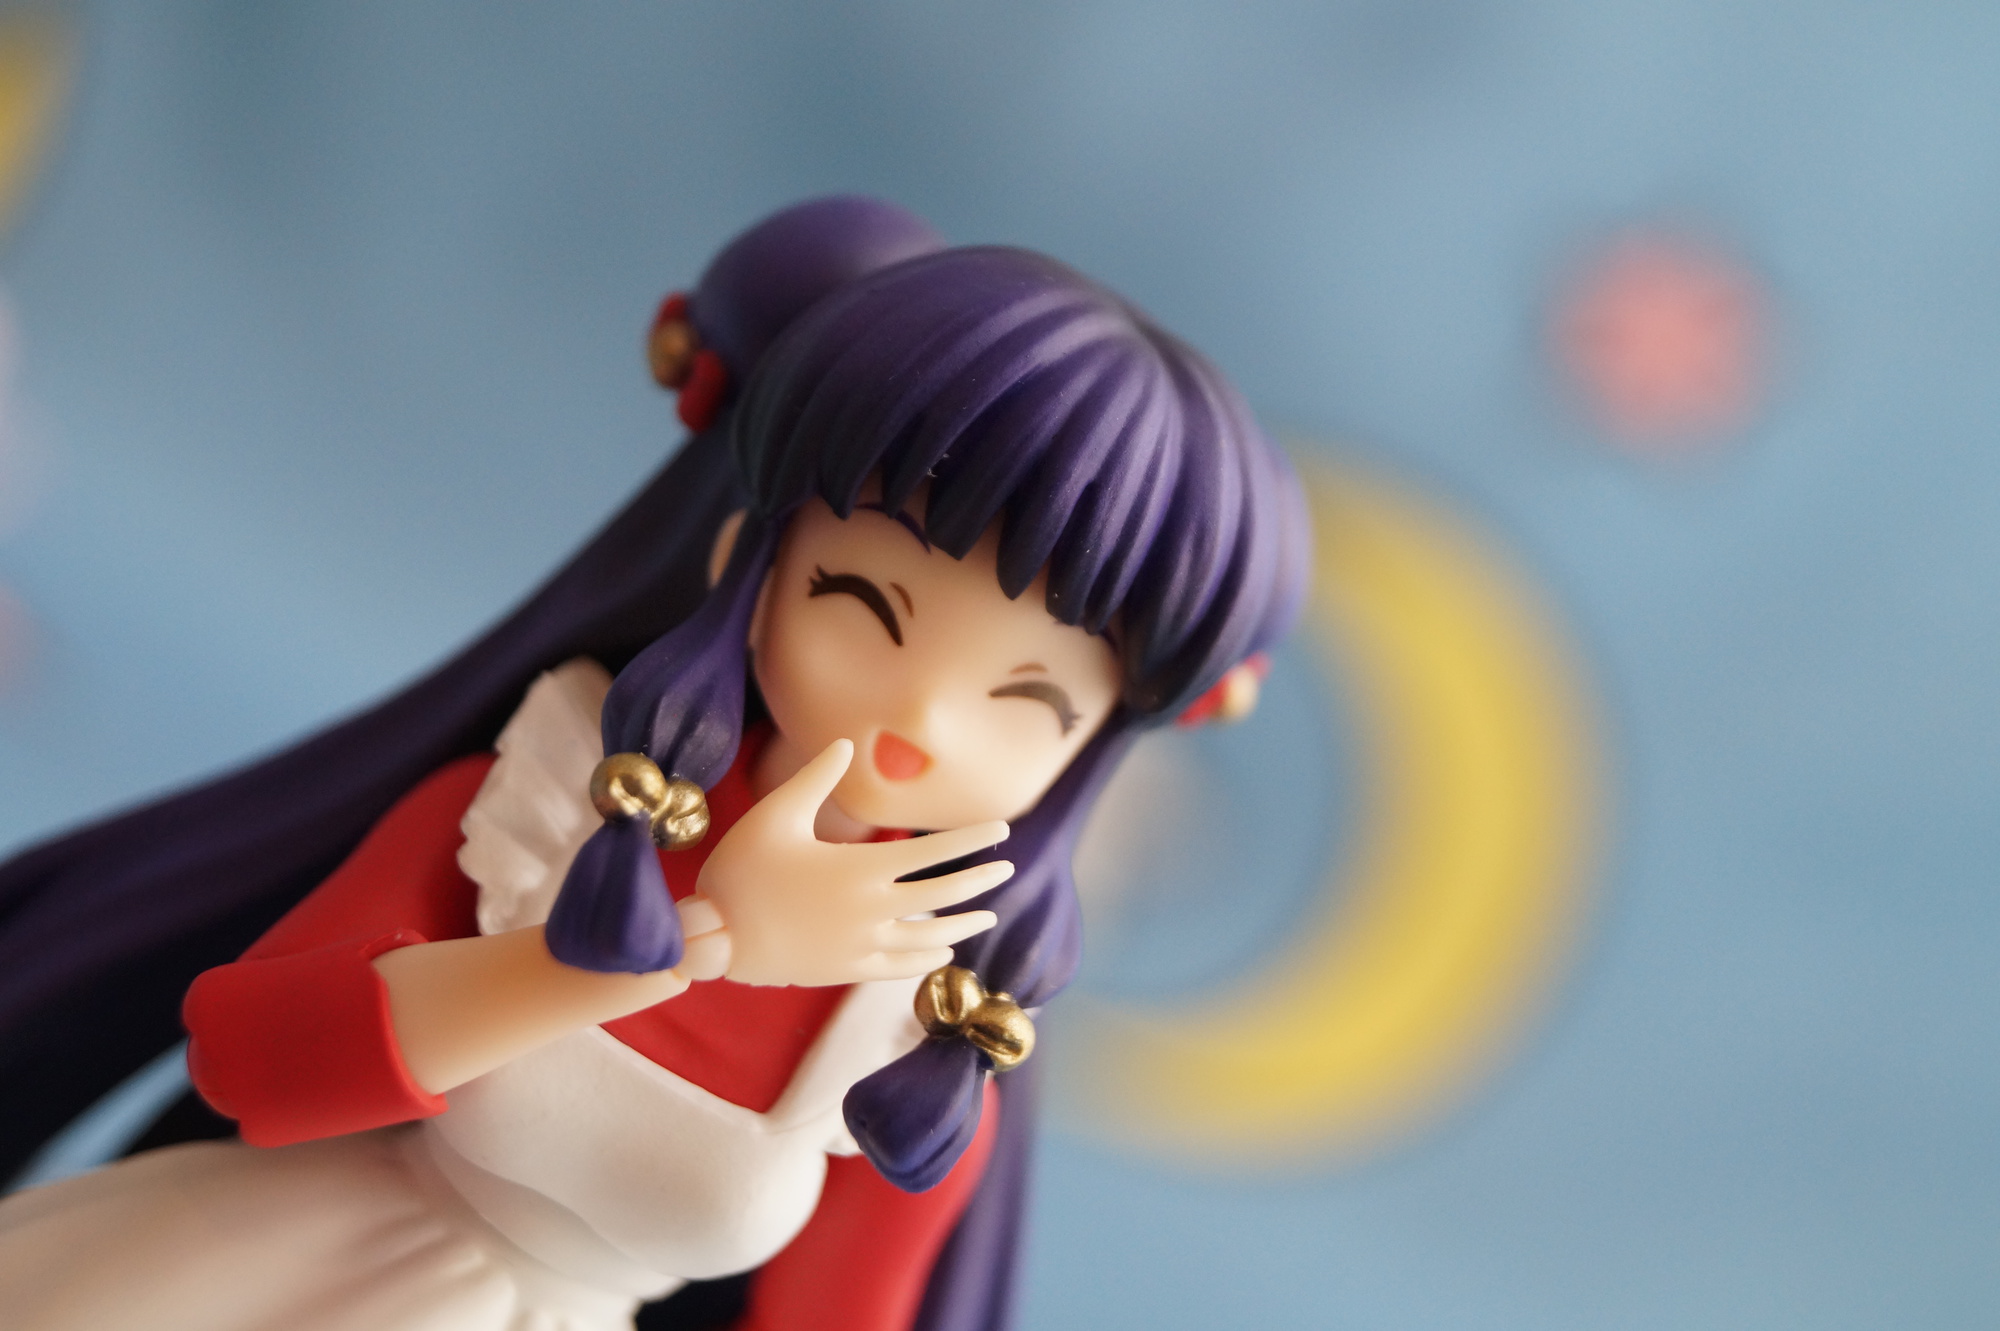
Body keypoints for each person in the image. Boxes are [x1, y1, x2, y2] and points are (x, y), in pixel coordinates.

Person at [0, 196, 1309, 1331]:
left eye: (1030, 702)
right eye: (863, 604)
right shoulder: (553, 796)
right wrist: (701, 940)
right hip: (260, 1271)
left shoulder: (932, 1023)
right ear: (751, 563)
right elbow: (255, 1058)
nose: (925, 714)